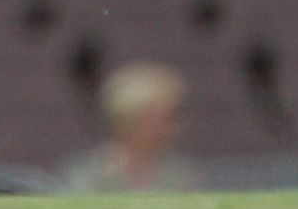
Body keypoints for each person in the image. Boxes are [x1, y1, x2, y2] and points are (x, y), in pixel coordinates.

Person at [63, 62, 199, 193]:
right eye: (164, 119)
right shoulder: (89, 173)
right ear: (131, 119)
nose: (173, 128)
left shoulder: (181, 176)